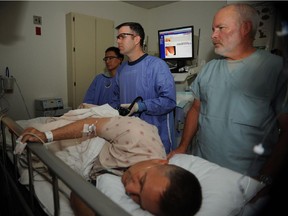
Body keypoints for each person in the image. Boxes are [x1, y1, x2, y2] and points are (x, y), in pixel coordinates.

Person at [168, 2, 288, 185]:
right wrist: (183, 146)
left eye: (221, 28)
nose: (213, 35)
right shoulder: (209, 69)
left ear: (245, 28)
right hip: (203, 165)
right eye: (213, 29)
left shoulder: (276, 69)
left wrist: (265, 176)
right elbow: (196, 109)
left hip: (246, 175)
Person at [20, 116, 202, 216]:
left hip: (97, 164)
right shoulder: (137, 135)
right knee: (22, 134)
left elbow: (81, 194)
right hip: (92, 134)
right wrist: (47, 136)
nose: (129, 187)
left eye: (137, 199)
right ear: (161, 162)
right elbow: (91, 125)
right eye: (141, 180)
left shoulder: (143, 188)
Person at [110, 22, 177, 154]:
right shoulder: (121, 69)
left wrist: (140, 106)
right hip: (129, 137)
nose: (118, 41)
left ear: (137, 39)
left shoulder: (157, 66)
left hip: (155, 138)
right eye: (117, 37)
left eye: (123, 36)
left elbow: (169, 101)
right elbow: (115, 100)